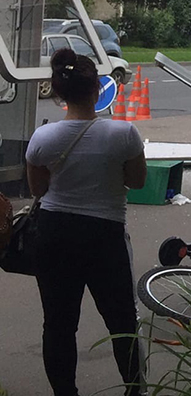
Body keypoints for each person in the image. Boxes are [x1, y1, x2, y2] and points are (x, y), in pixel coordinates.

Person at [26, 48, 147, 396]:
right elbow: (137, 182)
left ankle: (66, 392)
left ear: (59, 93)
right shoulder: (123, 135)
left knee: (59, 325)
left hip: (54, 233)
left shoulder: (42, 139)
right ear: (97, 89)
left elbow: (38, 188)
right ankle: (133, 389)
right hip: (105, 236)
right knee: (122, 320)